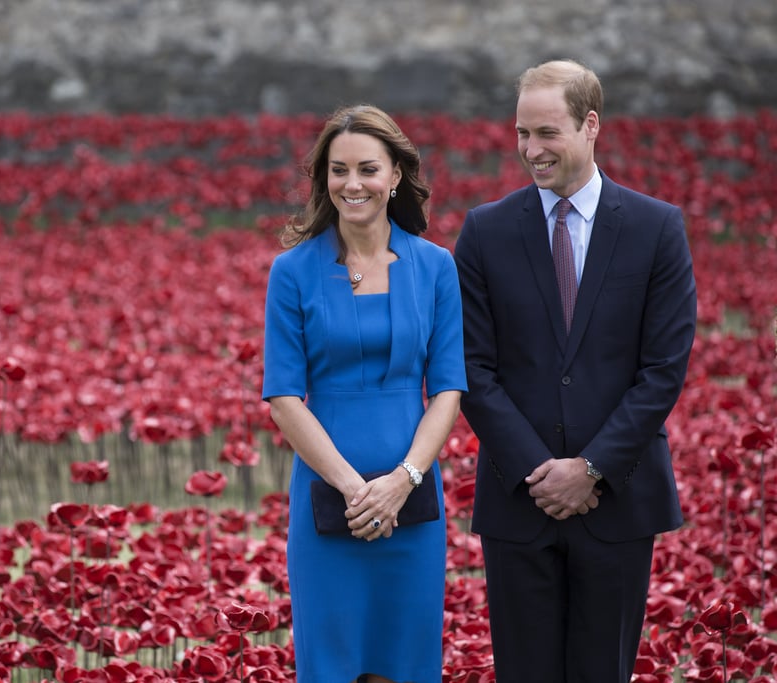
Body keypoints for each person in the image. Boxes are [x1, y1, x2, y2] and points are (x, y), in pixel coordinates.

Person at [453, 59, 697, 682]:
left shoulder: (656, 228)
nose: (531, 150)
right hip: (519, 501)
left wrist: (590, 470)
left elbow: (663, 369)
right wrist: (542, 472)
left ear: (591, 125)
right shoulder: (484, 231)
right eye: (521, 133)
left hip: (616, 500)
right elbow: (472, 368)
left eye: (547, 133)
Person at [261, 104, 466, 683]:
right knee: (331, 665)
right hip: (331, 500)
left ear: (396, 175)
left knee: (405, 664)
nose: (353, 184)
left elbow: (448, 389)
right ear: (324, 178)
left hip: (413, 500)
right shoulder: (292, 271)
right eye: (338, 170)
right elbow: (282, 396)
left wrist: (402, 481)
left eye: (368, 169)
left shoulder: (436, 268)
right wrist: (355, 490)